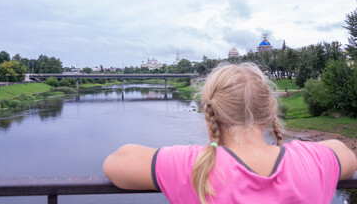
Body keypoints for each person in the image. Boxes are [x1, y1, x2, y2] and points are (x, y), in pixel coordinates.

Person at [103, 63, 357, 204]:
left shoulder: (194, 166)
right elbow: (344, 154)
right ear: (270, 112)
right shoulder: (310, 159)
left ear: (210, 111)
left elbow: (117, 163)